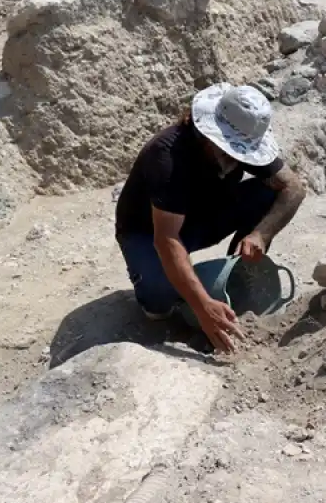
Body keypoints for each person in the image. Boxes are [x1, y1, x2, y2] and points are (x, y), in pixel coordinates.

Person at [114, 82, 307, 353]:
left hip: (201, 217)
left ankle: (235, 279)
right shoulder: (168, 156)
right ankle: (176, 295)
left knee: (268, 195)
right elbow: (166, 238)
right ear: (209, 136)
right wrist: (203, 307)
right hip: (147, 232)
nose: (234, 158)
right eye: (228, 150)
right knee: (160, 301)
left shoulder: (242, 136)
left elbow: (294, 188)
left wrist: (260, 234)